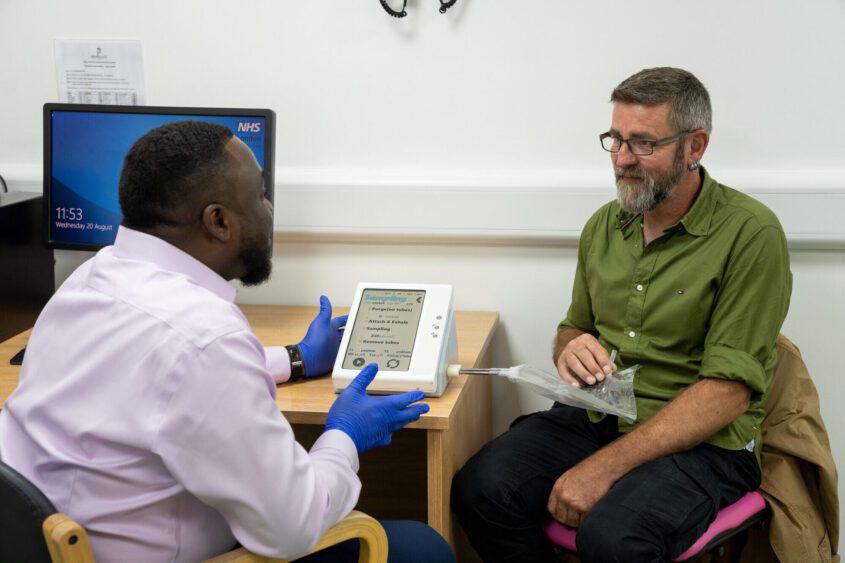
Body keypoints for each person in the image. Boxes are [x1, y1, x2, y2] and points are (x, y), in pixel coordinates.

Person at [0, 121, 455, 563]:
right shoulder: (207, 339)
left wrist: (296, 360)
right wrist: (344, 436)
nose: (270, 208)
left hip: (39, 539)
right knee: (421, 547)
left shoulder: (90, 280)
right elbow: (292, 527)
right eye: (259, 194)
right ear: (219, 221)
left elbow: (154, 373)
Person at [452, 67, 792, 562]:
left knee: (613, 540)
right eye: (615, 140)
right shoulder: (603, 227)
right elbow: (574, 326)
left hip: (705, 443)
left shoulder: (751, 234)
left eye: (644, 144)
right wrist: (571, 346)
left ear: (695, 146)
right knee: (480, 490)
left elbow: (727, 394)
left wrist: (602, 469)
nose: (623, 160)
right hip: (600, 413)